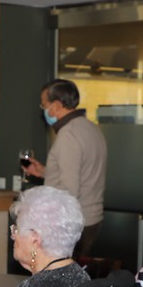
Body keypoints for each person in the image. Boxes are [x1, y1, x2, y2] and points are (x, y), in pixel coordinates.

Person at [22, 79, 106, 256]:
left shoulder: (68, 134)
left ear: (56, 106)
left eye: (44, 105)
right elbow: (82, 172)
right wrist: (45, 172)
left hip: (73, 224)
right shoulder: (90, 127)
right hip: (92, 219)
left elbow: (69, 191)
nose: (43, 110)